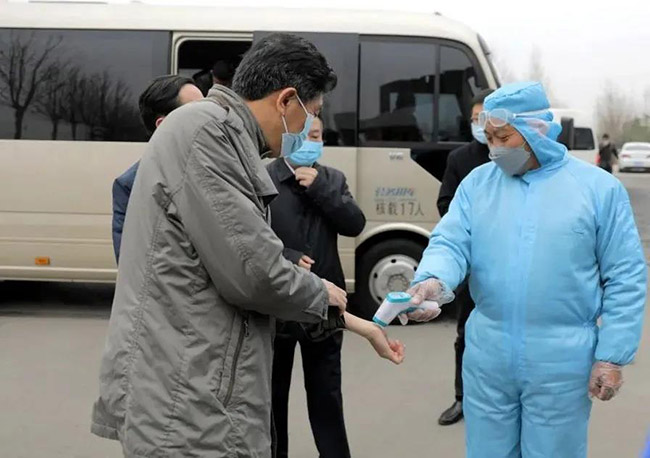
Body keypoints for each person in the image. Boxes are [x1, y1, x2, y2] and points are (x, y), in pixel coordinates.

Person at [92, 34, 352, 458]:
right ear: (286, 100)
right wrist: (319, 293)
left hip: (191, 389)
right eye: (313, 114)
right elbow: (253, 271)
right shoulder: (208, 135)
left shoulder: (220, 134)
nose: (308, 129)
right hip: (187, 404)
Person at [406, 82, 646, 457]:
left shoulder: (598, 190)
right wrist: (432, 280)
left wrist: (612, 355)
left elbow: (625, 275)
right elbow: (450, 242)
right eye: (489, 139)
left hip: (561, 360)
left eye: (504, 137)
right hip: (488, 354)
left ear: (536, 130)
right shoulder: (477, 185)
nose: (495, 149)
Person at [268, 117, 403, 458]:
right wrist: (288, 256)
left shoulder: (332, 179)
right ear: (288, 138)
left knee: (326, 392)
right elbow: (250, 236)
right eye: (305, 135)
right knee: (271, 395)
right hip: (277, 302)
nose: (312, 141)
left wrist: (320, 189)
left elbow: (354, 223)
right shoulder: (264, 179)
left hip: (328, 304)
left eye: (317, 135)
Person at [436, 88, 493, 426]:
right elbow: (445, 204)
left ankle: (496, 398)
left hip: (513, 264)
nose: (478, 125)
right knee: (466, 332)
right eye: (473, 119)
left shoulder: (515, 157)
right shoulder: (460, 159)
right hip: (474, 263)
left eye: (483, 118)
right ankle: (462, 398)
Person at [111, 75, 203, 262]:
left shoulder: (223, 168)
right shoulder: (130, 185)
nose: (210, 119)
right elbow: (132, 261)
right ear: (163, 125)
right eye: (197, 113)